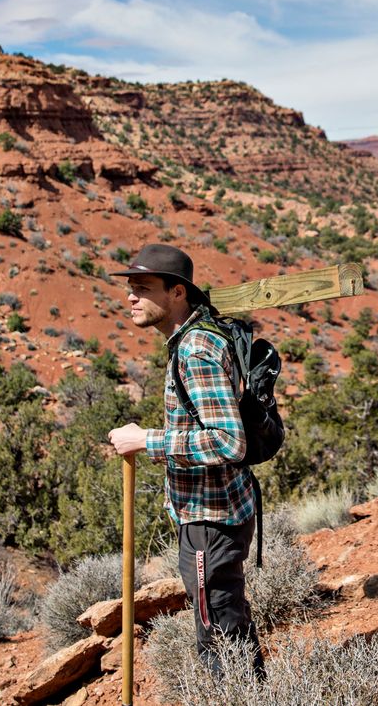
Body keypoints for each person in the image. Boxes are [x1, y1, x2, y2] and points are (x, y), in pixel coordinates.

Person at [107, 243, 263, 676]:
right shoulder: (198, 337)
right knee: (224, 615)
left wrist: (146, 441)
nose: (131, 297)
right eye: (130, 288)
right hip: (215, 510)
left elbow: (229, 442)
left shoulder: (195, 350)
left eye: (142, 287)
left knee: (217, 631)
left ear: (177, 292)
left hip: (210, 516)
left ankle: (237, 695)